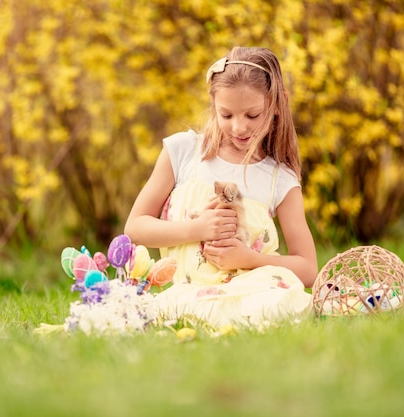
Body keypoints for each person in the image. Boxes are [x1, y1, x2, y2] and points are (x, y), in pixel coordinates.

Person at [124, 46, 318, 329]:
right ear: (213, 104)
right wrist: (197, 229)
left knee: (277, 303)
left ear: (277, 105)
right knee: (178, 309)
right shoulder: (183, 152)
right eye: (226, 115)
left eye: (253, 115)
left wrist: (249, 258)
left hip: (252, 288)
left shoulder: (281, 179)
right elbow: (135, 228)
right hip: (192, 291)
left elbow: (309, 268)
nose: (239, 127)